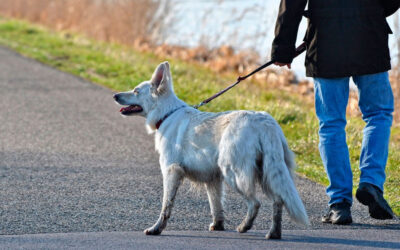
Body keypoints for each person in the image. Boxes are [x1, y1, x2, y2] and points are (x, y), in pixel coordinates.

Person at [272, 0, 400, 224]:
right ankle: (371, 182)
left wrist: (282, 49)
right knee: (378, 114)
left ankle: (339, 204)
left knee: (331, 123)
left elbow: (291, 3)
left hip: (326, 40)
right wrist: (372, 11)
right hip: (369, 35)